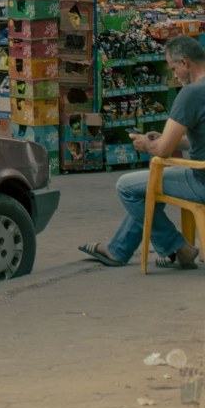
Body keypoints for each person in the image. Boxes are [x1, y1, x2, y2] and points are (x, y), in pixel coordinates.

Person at [79, 35, 205, 270]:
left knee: (127, 187)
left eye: (174, 69)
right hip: (200, 170)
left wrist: (146, 144)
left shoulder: (191, 93)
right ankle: (119, 249)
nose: (174, 76)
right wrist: (170, 139)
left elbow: (163, 150)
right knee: (150, 184)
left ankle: (179, 248)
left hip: (201, 180)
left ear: (185, 62)